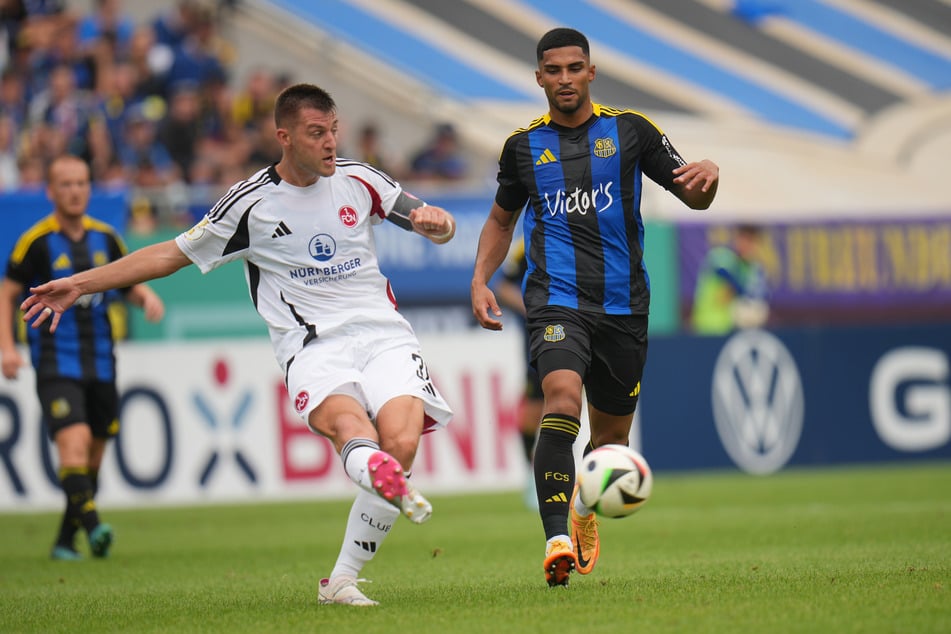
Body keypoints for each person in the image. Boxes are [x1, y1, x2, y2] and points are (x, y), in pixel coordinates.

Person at [21, 83, 456, 606]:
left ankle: (340, 579)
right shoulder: (250, 204)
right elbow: (170, 254)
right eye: (317, 133)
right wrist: (82, 283)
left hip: (384, 334)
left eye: (334, 131)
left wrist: (442, 225)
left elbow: (427, 218)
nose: (330, 143)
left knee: (402, 443)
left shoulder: (362, 180)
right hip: (313, 346)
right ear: (284, 137)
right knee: (351, 428)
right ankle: (375, 474)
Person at [470, 27, 719, 587]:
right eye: (552, 70)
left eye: (573, 68)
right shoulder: (521, 147)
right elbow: (500, 219)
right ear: (539, 77)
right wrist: (480, 280)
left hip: (624, 307)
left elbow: (693, 194)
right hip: (556, 301)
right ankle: (556, 537)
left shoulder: (631, 132)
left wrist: (711, 177)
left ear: (591, 72)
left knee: (610, 443)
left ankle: (583, 512)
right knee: (560, 398)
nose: (564, 79)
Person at [0, 154, 165, 561]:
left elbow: (124, 282)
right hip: (56, 360)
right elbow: (7, 293)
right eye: (66, 184)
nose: (74, 191)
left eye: (81, 183)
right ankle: (94, 529)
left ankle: (63, 539)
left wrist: (144, 295)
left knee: (93, 452)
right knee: (73, 443)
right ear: (50, 191)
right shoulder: (35, 243)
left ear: (89, 188)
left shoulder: (106, 238)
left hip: (102, 361)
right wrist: (6, 347)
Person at [493, 242, 543, 509]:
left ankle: (564, 475)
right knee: (532, 415)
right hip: (538, 340)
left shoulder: (581, 232)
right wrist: (532, 307)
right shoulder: (527, 246)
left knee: (567, 409)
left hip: (577, 333)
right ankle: (533, 476)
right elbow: (503, 287)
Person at [690, 224, 768, 335]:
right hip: (706, 325)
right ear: (737, 238)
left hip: (729, 328)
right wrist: (739, 290)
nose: (747, 246)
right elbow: (726, 275)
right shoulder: (721, 255)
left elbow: (756, 295)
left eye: (752, 242)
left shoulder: (749, 268)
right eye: (745, 239)